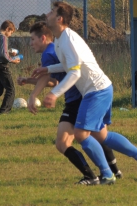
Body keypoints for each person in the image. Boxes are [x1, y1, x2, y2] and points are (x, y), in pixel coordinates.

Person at [31, 1, 137, 185]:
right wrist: (47, 68)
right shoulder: (59, 39)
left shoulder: (68, 40)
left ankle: (107, 175)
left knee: (81, 134)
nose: (47, 14)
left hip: (96, 91)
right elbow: (70, 65)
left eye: (51, 12)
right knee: (102, 135)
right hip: (100, 89)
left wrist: (55, 93)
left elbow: (75, 72)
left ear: (59, 18)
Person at [17, 21, 122, 185]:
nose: (30, 43)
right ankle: (114, 171)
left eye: (32, 39)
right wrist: (29, 80)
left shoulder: (48, 53)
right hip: (83, 96)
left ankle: (93, 176)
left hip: (77, 100)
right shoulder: (55, 50)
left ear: (43, 38)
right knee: (98, 134)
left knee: (63, 142)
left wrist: (33, 95)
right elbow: (54, 81)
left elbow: (48, 79)